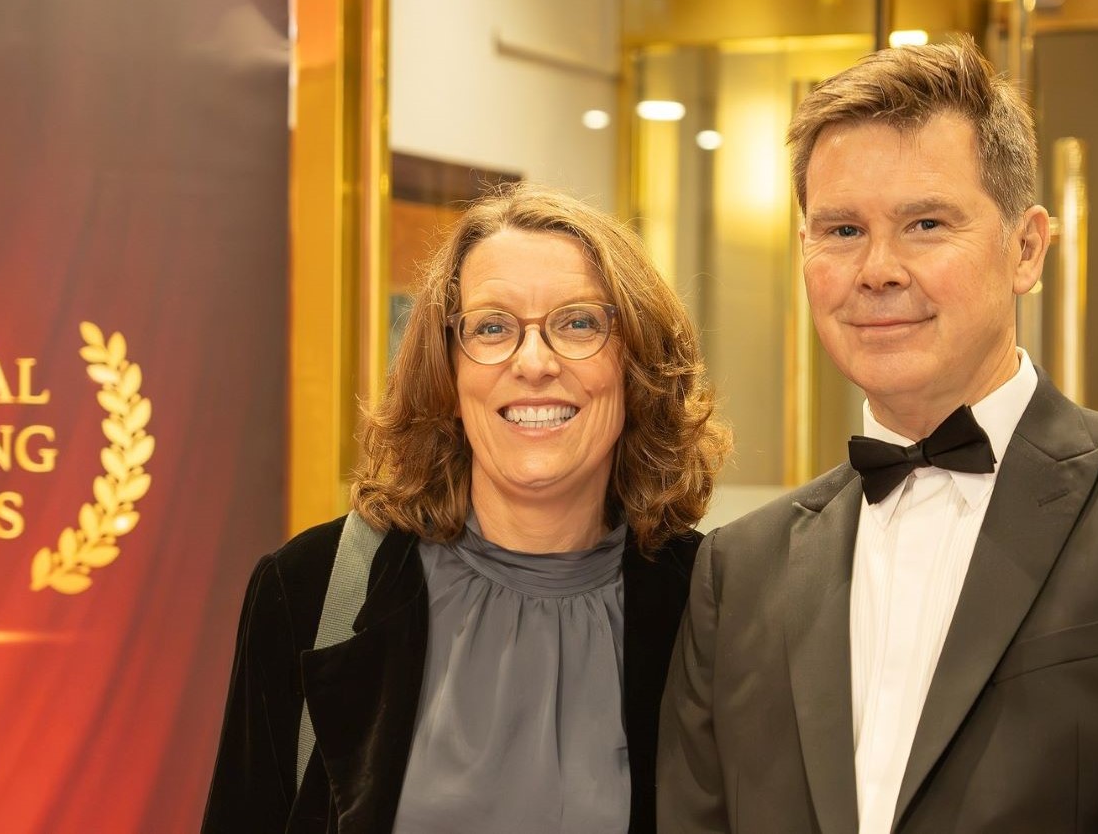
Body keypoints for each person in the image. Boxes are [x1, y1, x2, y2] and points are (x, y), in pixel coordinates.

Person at [657, 38, 1098, 833]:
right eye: (840, 230)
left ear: (1026, 248)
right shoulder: (736, 571)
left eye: (925, 223)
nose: (877, 269)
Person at [204, 182, 730, 833]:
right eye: (491, 327)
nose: (533, 362)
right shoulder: (307, 591)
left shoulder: (712, 611)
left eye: (578, 323)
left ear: (636, 368)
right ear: (449, 374)